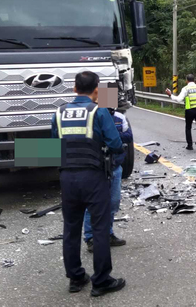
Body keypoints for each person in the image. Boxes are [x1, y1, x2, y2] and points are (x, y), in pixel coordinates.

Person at [51, 71, 126, 297]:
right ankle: (101, 281)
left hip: (67, 178)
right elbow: (115, 144)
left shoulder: (58, 112)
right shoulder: (99, 111)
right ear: (96, 90)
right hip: (93, 177)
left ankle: (75, 278)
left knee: (71, 228)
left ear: (74, 88)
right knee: (101, 228)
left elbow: (54, 145)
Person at [83, 107, 133, 253]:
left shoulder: (119, 117)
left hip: (115, 166)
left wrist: (109, 134)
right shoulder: (90, 116)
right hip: (95, 167)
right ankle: (91, 237)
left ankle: (108, 234)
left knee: (113, 202)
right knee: (93, 203)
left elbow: (128, 136)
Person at [166, 74, 196, 151]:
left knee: (188, 127)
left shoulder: (185, 88)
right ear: (194, 80)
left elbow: (178, 99)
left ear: (186, 81)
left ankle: (190, 145)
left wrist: (170, 95)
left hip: (189, 110)